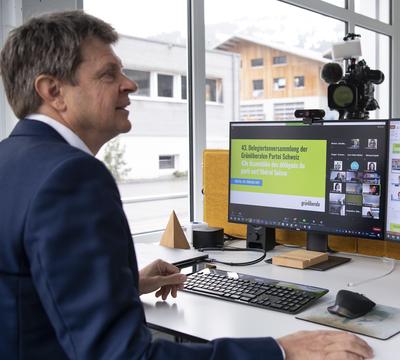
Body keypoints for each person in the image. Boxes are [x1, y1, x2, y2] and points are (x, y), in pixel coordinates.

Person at [0, 11, 373, 360]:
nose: (129, 85)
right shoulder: (71, 177)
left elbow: (20, 296)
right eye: (108, 74)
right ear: (53, 91)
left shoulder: (12, 160)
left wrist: (121, 289)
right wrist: (280, 351)